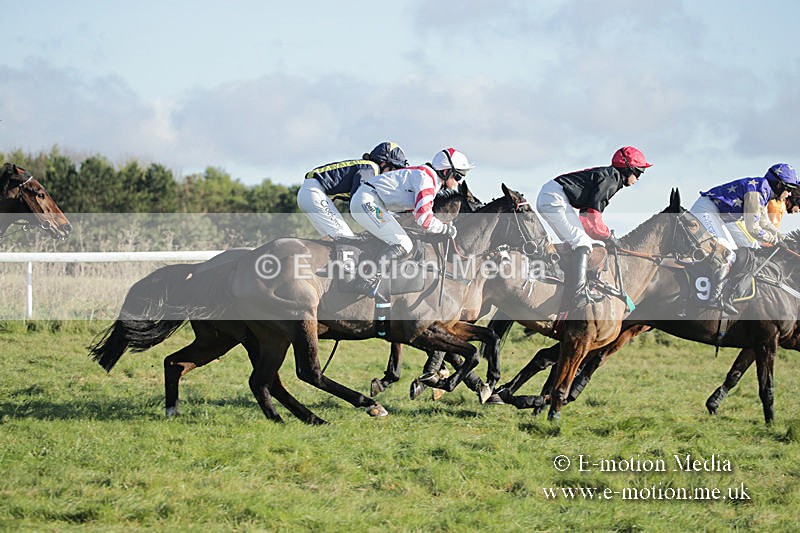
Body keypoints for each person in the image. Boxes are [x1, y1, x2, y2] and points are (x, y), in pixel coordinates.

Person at [536, 146, 651, 309]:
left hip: (553, 196)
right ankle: (578, 292)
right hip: (554, 198)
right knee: (582, 242)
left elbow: (587, 219)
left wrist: (604, 236)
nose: (638, 178)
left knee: (579, 242)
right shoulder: (612, 179)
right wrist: (609, 238)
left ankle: (564, 283)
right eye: (638, 172)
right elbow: (592, 219)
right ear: (627, 168)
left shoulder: (611, 177)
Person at [349, 148, 474, 295]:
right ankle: (366, 280)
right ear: (446, 172)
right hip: (368, 201)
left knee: (402, 238)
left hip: (374, 201)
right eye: (458, 176)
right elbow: (424, 219)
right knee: (404, 243)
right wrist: (445, 229)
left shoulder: (429, 177)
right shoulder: (427, 180)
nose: (459, 183)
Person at [690, 163, 799, 313]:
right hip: (706, 211)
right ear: (779, 184)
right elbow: (753, 228)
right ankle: (715, 298)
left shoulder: (764, 189)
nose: (789, 194)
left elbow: (763, 222)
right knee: (727, 255)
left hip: (719, 216)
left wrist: (782, 237)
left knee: (740, 251)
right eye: (788, 189)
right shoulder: (758, 191)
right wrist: (775, 241)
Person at [296, 142, 408, 239]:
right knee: (345, 238)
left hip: (312, 193)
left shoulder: (369, 169)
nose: (392, 176)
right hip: (314, 192)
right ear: (384, 163)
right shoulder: (371, 168)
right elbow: (361, 206)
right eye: (394, 170)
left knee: (335, 238)